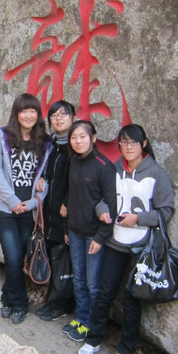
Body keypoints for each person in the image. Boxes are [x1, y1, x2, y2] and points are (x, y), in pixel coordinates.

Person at [78, 124, 175, 354]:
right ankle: (93, 339)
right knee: (104, 292)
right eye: (123, 142)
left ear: (143, 144)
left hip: (141, 247)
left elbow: (166, 211)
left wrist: (138, 219)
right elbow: (101, 199)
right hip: (114, 242)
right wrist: (102, 212)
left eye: (132, 142)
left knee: (132, 299)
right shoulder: (113, 170)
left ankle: (126, 349)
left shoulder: (156, 173)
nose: (127, 147)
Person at [0, 93, 50, 325]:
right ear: (16, 113)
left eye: (32, 111)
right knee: (13, 257)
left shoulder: (46, 143)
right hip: (4, 208)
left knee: (22, 257)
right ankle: (20, 304)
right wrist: (13, 201)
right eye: (23, 111)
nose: (28, 115)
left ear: (38, 114)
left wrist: (34, 202)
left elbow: (46, 178)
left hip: (29, 210)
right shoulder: (3, 136)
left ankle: (7, 297)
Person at [62, 119, 116, 342]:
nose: (78, 141)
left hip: (94, 235)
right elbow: (71, 197)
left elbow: (112, 205)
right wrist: (67, 227)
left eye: (82, 136)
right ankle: (81, 318)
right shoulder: (74, 160)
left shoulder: (104, 167)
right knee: (79, 280)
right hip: (74, 231)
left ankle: (93, 325)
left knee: (93, 283)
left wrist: (101, 237)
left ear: (94, 138)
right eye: (74, 137)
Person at [34, 100, 76, 321]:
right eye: (54, 116)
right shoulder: (51, 146)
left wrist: (68, 202)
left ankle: (61, 304)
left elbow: (79, 179)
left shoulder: (76, 145)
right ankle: (53, 301)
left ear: (73, 118)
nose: (58, 119)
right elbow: (44, 170)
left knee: (62, 258)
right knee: (53, 256)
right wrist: (40, 178)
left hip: (65, 214)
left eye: (63, 114)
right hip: (49, 210)